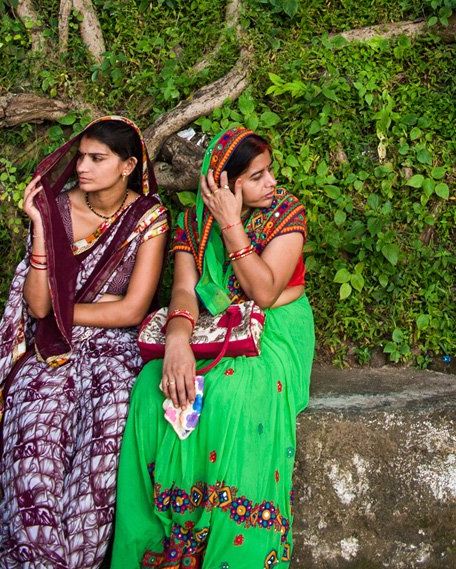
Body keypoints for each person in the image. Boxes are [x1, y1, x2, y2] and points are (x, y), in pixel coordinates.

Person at [112, 124, 315, 569]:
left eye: (270, 171)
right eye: (257, 176)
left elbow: (263, 291)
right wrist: (178, 341)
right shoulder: (190, 223)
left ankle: (228, 543)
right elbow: (184, 292)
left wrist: (231, 223)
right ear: (224, 183)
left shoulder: (286, 213)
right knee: (152, 385)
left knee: (232, 389)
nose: (272, 182)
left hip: (275, 329)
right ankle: (168, 542)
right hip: (211, 327)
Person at [0, 116, 168, 569]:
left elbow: (131, 311)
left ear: (127, 166)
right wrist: (41, 230)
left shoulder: (148, 217)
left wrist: (72, 308)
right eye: (81, 155)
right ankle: (36, 557)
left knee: (109, 427)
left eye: (97, 159)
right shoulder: (55, 209)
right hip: (53, 345)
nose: (83, 166)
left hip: (114, 350)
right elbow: (40, 307)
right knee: (39, 427)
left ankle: (76, 558)